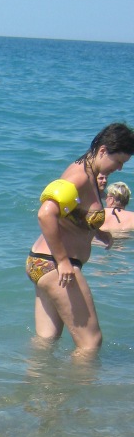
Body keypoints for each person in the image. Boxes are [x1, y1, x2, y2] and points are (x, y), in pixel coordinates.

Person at [25, 123, 134, 355]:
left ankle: (36, 380)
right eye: (119, 161)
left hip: (42, 262)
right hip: (57, 266)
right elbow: (46, 214)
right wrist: (63, 260)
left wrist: (97, 231)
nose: (120, 168)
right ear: (103, 151)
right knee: (90, 344)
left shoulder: (88, 173)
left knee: (46, 341)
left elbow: (71, 213)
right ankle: (78, 381)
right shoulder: (80, 176)